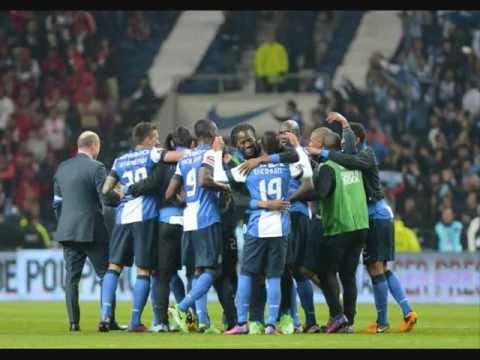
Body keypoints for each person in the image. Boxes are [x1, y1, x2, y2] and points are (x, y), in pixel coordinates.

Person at [317, 112, 419, 333]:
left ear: (357, 140)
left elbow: (348, 159)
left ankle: (383, 322)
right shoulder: (348, 159)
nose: (343, 143)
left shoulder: (366, 154)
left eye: (346, 139)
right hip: (372, 217)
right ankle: (407, 311)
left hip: (376, 216)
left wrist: (326, 150)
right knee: (380, 268)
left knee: (375, 268)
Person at [98, 122, 177, 332]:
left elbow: (105, 189)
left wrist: (121, 195)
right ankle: (134, 321)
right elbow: (177, 157)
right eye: (156, 137)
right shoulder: (152, 154)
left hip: (122, 218)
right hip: (145, 217)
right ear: (149, 139)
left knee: (113, 267)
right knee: (144, 270)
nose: (158, 141)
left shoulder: (120, 160)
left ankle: (105, 316)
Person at [290, 128, 369, 334]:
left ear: (323, 146)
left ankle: (338, 317)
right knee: (348, 276)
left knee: (325, 272)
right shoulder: (351, 163)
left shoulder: (328, 167)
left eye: (314, 140)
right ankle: (348, 322)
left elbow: (322, 193)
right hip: (360, 225)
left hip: (339, 226)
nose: (310, 142)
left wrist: (298, 195)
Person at [225, 131, 302, 335]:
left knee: (247, 274)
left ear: (260, 145)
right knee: (274, 276)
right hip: (280, 228)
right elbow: (297, 159)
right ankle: (270, 325)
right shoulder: (286, 166)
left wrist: (221, 158)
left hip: (256, 226)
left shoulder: (249, 167)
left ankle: (241, 323)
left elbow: (237, 198)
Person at [52, 131, 123, 332]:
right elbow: (106, 197)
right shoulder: (97, 167)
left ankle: (74, 324)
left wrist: (65, 223)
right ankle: (108, 319)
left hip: (68, 231)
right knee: (106, 274)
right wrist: (121, 195)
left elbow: (57, 203)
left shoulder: (62, 168)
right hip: (91, 230)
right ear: (94, 146)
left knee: (71, 279)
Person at [166, 119, 230, 333]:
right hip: (207, 217)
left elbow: (169, 193)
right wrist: (223, 188)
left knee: (197, 271)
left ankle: (203, 322)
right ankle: (182, 307)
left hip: (189, 218)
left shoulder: (185, 158)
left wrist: (185, 200)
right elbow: (204, 180)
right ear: (212, 133)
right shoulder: (209, 153)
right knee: (213, 269)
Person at [276, 120, 319, 334]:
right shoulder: (283, 156)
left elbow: (311, 187)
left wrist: (287, 199)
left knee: (292, 270)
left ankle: (297, 319)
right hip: (290, 215)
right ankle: (298, 319)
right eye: (280, 132)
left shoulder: (300, 155)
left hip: (294, 216)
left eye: (286, 132)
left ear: (295, 134)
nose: (282, 135)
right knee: (294, 270)